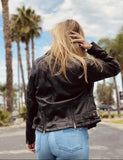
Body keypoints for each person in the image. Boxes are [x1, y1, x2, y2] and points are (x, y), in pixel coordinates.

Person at [26, 19, 120, 160]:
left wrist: (29, 136)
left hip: (43, 138)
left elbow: (31, 103)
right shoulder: (83, 65)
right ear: (77, 38)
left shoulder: (39, 65)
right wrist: (91, 48)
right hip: (71, 136)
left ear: (56, 38)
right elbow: (114, 66)